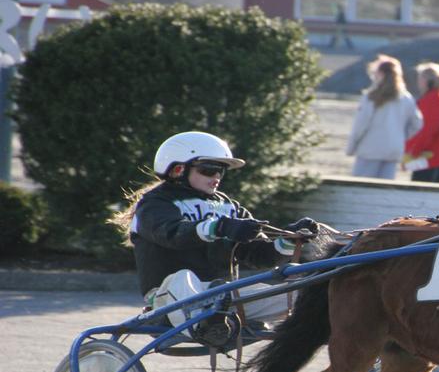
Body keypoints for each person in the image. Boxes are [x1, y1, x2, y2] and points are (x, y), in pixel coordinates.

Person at [112, 131, 320, 346]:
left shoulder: (228, 206)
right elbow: (172, 234)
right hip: (169, 301)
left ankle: (218, 319)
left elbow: (260, 256)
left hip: (224, 299)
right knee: (183, 277)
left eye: (221, 171)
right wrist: (219, 227)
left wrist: (289, 240)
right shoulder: (155, 204)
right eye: (208, 170)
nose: (216, 178)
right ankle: (207, 324)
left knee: (305, 297)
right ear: (177, 169)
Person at [345, 55, 422, 180]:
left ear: (380, 74)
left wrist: (351, 147)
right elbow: (417, 123)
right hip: (393, 149)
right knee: (384, 189)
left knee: (362, 187)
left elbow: (360, 125)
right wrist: (401, 136)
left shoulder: (371, 97)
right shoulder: (406, 98)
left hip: (370, 149)